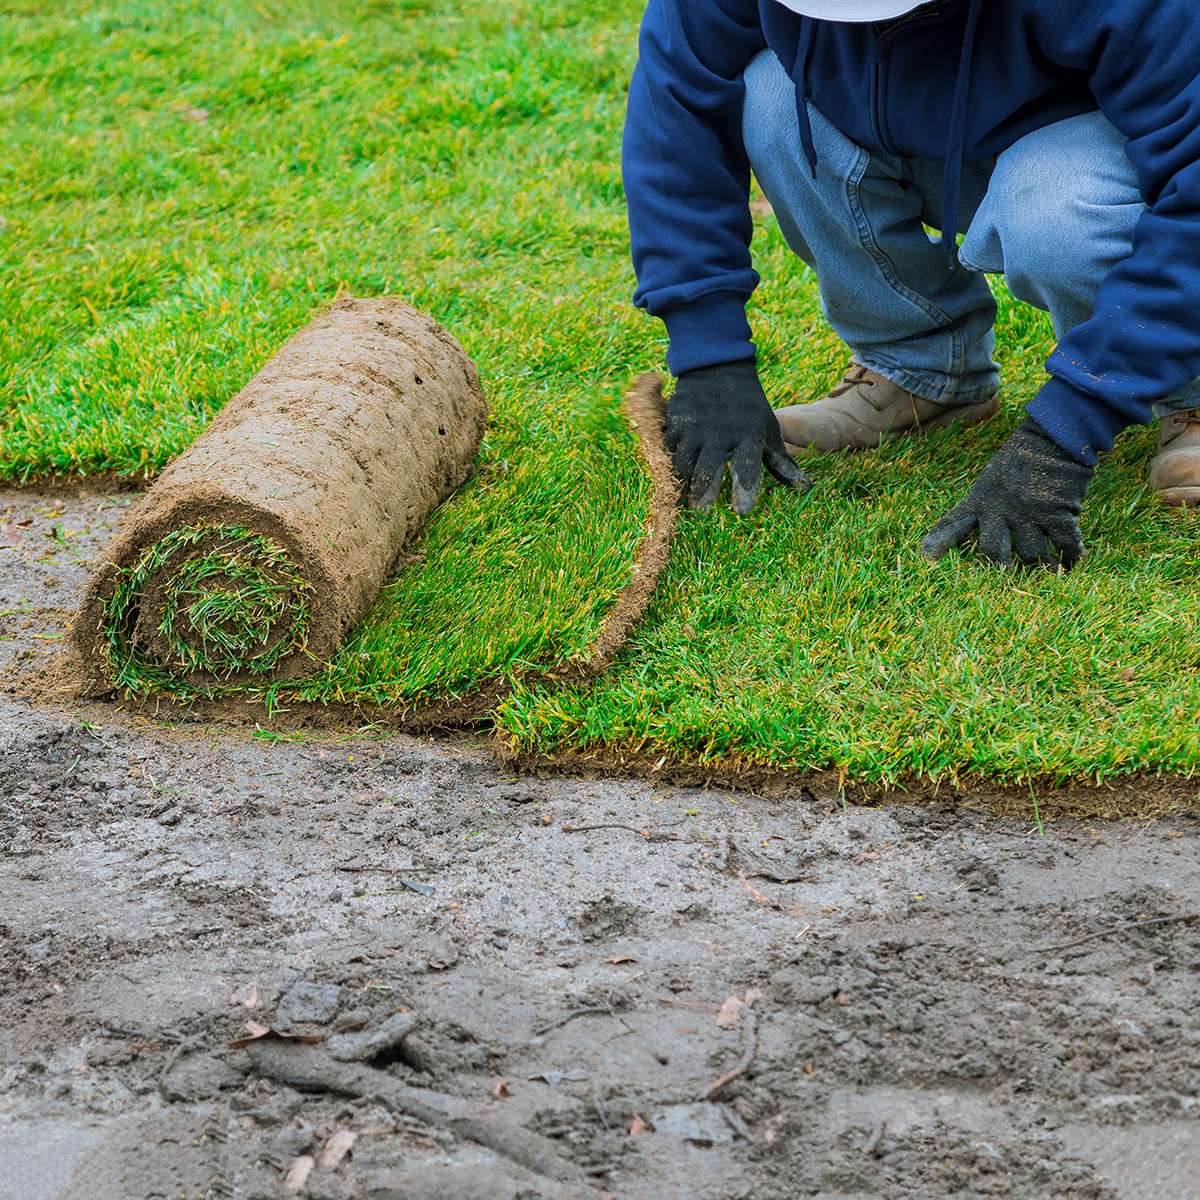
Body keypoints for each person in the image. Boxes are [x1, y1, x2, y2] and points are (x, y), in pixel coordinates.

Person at [622, 0, 1200, 568]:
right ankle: (923, 372)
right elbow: (674, 114)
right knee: (771, 97)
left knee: (1060, 214)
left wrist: (1067, 430)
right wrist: (710, 361)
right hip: (914, 117)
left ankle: (1189, 392)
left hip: (1096, 131)